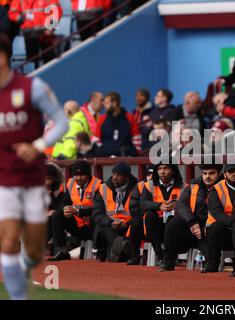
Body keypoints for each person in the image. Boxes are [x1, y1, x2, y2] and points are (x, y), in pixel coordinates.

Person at [0, 35, 68, 300]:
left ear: (5, 57)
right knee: (7, 242)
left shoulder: (32, 87)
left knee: (34, 252)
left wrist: (38, 146)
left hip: (32, 180)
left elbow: (61, 122)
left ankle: (22, 268)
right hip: (3, 180)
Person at [158, 162, 223, 272]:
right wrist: (192, 222)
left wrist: (205, 227)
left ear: (219, 173)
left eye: (211, 173)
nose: (207, 176)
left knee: (213, 230)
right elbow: (181, 205)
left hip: (212, 227)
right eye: (205, 173)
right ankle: (168, 261)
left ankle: (212, 264)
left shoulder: (224, 186)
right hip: (193, 225)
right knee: (173, 223)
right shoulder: (194, 185)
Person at [48, 160, 101, 261]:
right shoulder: (70, 184)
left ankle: (97, 251)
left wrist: (78, 212)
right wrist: (65, 209)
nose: (78, 178)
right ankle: (62, 249)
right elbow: (63, 202)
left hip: (93, 226)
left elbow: (99, 210)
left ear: (88, 175)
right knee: (57, 214)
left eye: (82, 175)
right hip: (78, 225)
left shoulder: (98, 185)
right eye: (76, 175)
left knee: (97, 217)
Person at [92, 162, 138, 262]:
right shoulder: (103, 188)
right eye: (113, 174)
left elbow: (139, 212)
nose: (114, 177)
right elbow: (97, 212)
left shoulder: (137, 188)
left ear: (126, 177)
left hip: (130, 226)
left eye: (118, 175)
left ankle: (120, 251)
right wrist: (110, 222)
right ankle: (122, 246)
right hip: (111, 225)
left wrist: (125, 224)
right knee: (103, 226)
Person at [140, 163, 185, 264]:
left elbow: (189, 205)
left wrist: (176, 206)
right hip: (157, 226)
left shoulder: (184, 186)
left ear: (173, 170)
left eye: (166, 168)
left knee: (174, 221)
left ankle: (171, 256)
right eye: (159, 169)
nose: (162, 172)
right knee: (149, 215)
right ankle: (160, 255)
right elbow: (143, 203)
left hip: (175, 225)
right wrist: (159, 206)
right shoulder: (149, 185)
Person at [203, 163, 235, 273]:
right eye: (230, 171)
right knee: (216, 227)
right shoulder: (216, 189)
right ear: (224, 174)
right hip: (222, 230)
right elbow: (216, 212)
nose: (234, 174)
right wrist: (232, 223)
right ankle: (212, 264)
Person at [8, 0, 62, 68]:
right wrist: (21, 19)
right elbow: (12, 13)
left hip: (46, 34)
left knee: (49, 62)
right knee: (31, 63)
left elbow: (56, 11)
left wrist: (51, 28)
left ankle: (50, 77)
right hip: (29, 35)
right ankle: (33, 78)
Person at [95, 92, 142, 157]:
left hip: (126, 161)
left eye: (106, 103)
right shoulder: (102, 119)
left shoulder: (129, 118)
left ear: (114, 103)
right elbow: (97, 139)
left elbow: (137, 138)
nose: (104, 106)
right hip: (105, 160)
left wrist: (133, 155)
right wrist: (101, 154)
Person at [126, 165, 154, 265]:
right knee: (135, 222)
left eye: (153, 174)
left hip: (159, 220)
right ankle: (135, 256)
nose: (150, 177)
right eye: (149, 174)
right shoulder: (140, 186)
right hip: (143, 221)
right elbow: (133, 208)